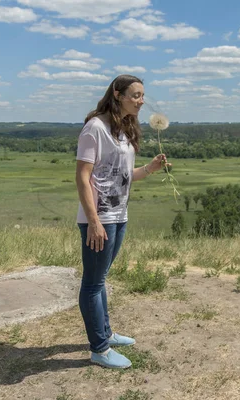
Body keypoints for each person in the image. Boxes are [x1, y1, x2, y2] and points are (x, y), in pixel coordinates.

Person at [75, 74, 169, 369]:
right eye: (136, 95)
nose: (142, 101)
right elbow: (82, 176)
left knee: (100, 279)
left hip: (119, 216)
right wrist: (93, 221)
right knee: (92, 284)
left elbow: (124, 177)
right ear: (117, 94)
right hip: (99, 219)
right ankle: (99, 349)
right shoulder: (95, 128)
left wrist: (150, 168)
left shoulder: (123, 131)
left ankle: (106, 333)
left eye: (143, 95)